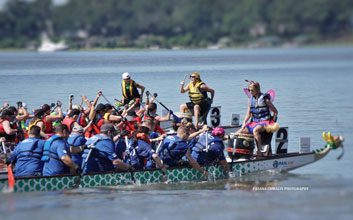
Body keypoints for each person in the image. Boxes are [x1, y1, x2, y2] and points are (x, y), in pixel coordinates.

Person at [237, 80, 278, 156]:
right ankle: (244, 153)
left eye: (252, 90)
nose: (250, 92)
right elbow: (248, 114)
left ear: (257, 89)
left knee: (255, 130)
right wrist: (244, 123)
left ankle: (259, 152)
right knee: (239, 132)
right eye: (249, 90)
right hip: (255, 122)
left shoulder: (265, 99)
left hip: (265, 121)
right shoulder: (250, 100)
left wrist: (273, 121)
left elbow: (275, 111)